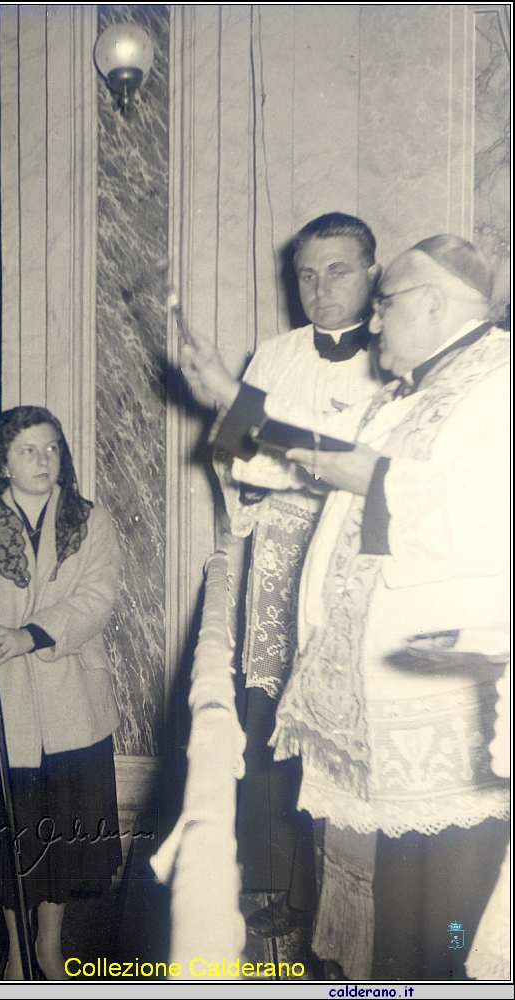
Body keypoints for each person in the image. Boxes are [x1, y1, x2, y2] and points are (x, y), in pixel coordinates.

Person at [270, 235, 510, 979]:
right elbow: (346, 467)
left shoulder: (497, 381)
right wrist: (233, 402)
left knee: (449, 907)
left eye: (387, 303)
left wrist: (375, 476)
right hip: (398, 688)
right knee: (404, 897)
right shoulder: (419, 388)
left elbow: (481, 512)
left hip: (451, 694)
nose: (375, 324)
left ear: (436, 302)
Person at [180, 213, 383, 941]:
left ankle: (354, 898)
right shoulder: (274, 353)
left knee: (352, 724)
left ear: (371, 271)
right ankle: (280, 885)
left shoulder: (397, 358)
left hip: (360, 567)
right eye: (307, 273)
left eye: (338, 270)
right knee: (273, 722)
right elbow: (233, 450)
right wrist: (250, 468)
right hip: (282, 557)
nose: (320, 287)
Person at [0, 406, 122, 980]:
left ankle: (48, 946)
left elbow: (97, 598)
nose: (44, 460)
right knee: (8, 840)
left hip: (73, 707)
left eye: (52, 448)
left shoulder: (89, 520)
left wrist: (28, 635)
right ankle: (17, 953)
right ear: (2, 459)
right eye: (28, 450)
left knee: (65, 839)